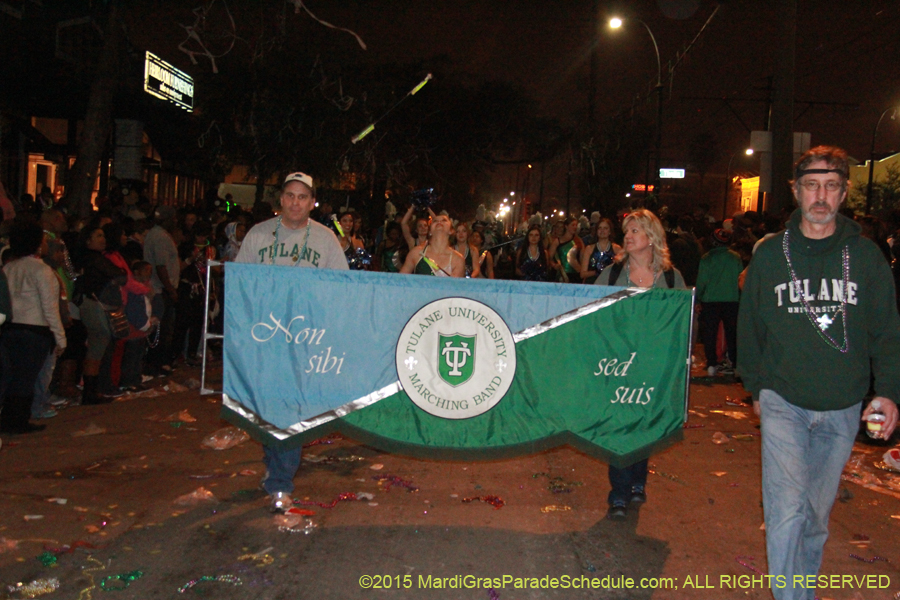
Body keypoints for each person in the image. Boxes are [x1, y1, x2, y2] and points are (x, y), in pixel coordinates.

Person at [738, 146, 900, 600]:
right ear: (795, 191)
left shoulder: (867, 259)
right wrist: (757, 386)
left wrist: (887, 392)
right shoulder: (770, 257)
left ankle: (801, 590)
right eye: (812, 185)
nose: (821, 195)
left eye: (831, 186)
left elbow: (887, 332)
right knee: (786, 510)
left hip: (843, 406)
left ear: (844, 193)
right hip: (783, 400)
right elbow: (748, 327)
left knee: (814, 516)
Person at [236, 172, 349, 513]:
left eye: (303, 197)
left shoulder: (326, 239)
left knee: (292, 408)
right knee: (267, 408)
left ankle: (281, 481)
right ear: (281, 199)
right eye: (290, 195)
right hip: (265, 335)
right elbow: (241, 282)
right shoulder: (258, 235)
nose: (296, 202)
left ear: (312, 202)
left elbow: (341, 286)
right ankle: (274, 466)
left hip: (304, 338)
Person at [595, 209, 686, 520]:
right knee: (620, 426)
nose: (628, 236)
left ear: (652, 237)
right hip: (618, 365)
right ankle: (618, 492)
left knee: (644, 424)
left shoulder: (671, 278)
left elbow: (684, 324)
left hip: (653, 366)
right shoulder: (611, 275)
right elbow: (588, 315)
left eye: (636, 230)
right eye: (627, 231)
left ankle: (637, 481)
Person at [0, 221, 66, 434]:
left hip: (10, 329)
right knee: (26, 379)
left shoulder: (9, 267)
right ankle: (18, 420)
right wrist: (60, 337)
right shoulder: (42, 270)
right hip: (34, 331)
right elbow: (50, 308)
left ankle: (9, 418)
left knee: (11, 377)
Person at [696, 228, 743, 377]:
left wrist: (698, 299)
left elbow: (701, 282)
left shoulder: (707, 258)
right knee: (732, 333)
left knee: (710, 333)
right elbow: (741, 280)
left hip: (711, 301)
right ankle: (735, 364)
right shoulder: (735, 258)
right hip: (732, 300)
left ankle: (711, 364)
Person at [400, 214, 465, 277]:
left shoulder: (458, 259)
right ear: (430, 231)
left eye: (444, 220)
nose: (439, 222)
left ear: (451, 231)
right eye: (435, 221)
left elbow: (454, 287)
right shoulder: (416, 253)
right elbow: (399, 280)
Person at [579, 217, 621, 285]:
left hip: (610, 285)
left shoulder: (617, 249)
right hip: (592, 285)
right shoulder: (589, 248)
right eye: (600, 228)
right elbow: (582, 274)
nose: (602, 231)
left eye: (605, 228)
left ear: (610, 231)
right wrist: (597, 271)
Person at [549, 217, 584, 283]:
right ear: (566, 226)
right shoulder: (558, 241)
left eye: (576, 225)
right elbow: (549, 257)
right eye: (572, 225)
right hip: (563, 274)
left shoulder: (579, 241)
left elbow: (583, 258)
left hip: (577, 274)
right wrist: (554, 265)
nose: (575, 227)